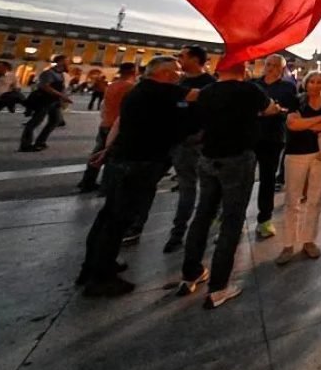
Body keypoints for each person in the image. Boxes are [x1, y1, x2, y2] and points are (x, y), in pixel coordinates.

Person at [77, 56, 198, 296]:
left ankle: (92, 266)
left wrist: (107, 149)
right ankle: (100, 279)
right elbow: (196, 96)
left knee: (108, 216)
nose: (180, 74)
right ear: (163, 74)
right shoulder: (158, 91)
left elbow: (122, 123)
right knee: (117, 220)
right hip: (139, 164)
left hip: (123, 160)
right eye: (176, 71)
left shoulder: (141, 90)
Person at [177, 64, 279, 308]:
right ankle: (218, 287)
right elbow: (271, 109)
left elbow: (195, 118)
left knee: (202, 215)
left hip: (208, 157)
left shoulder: (207, 91)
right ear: (242, 70)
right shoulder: (249, 90)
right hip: (237, 159)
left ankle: (190, 274)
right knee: (232, 221)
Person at [276, 70, 321, 265]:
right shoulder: (297, 100)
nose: (317, 84)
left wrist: (306, 123)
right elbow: (292, 125)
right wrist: (320, 120)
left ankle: (308, 240)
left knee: (315, 199)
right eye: (312, 81)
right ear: (306, 83)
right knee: (292, 200)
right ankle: (288, 244)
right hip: (296, 154)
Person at [163, 45, 217, 253]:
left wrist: (202, 134)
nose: (178, 59)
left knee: (208, 190)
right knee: (187, 188)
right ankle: (178, 233)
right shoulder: (179, 82)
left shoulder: (210, 84)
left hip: (203, 145)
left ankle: (204, 227)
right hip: (179, 144)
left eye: (182, 56)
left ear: (195, 59)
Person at [250, 54, 298, 239]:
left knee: (267, 180)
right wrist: (268, 111)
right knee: (243, 180)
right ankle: (231, 219)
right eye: (267, 64)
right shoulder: (254, 85)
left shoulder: (288, 87)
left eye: (274, 65)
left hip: (273, 138)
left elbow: (290, 111)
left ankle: (264, 220)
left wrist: (276, 111)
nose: (269, 67)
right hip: (250, 137)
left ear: (281, 68)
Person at [76, 63, 138, 193]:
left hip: (105, 123)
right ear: (133, 72)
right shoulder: (130, 87)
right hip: (117, 126)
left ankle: (87, 182)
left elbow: (104, 105)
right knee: (113, 157)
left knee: (97, 153)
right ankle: (106, 187)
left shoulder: (112, 85)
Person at [19, 55, 71, 152]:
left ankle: (40, 142)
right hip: (44, 100)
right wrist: (62, 95)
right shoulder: (48, 73)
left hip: (55, 101)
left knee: (55, 121)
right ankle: (25, 145)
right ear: (59, 62)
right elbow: (45, 87)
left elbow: (61, 87)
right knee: (34, 122)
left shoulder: (61, 74)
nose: (69, 63)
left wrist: (63, 97)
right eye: (67, 61)